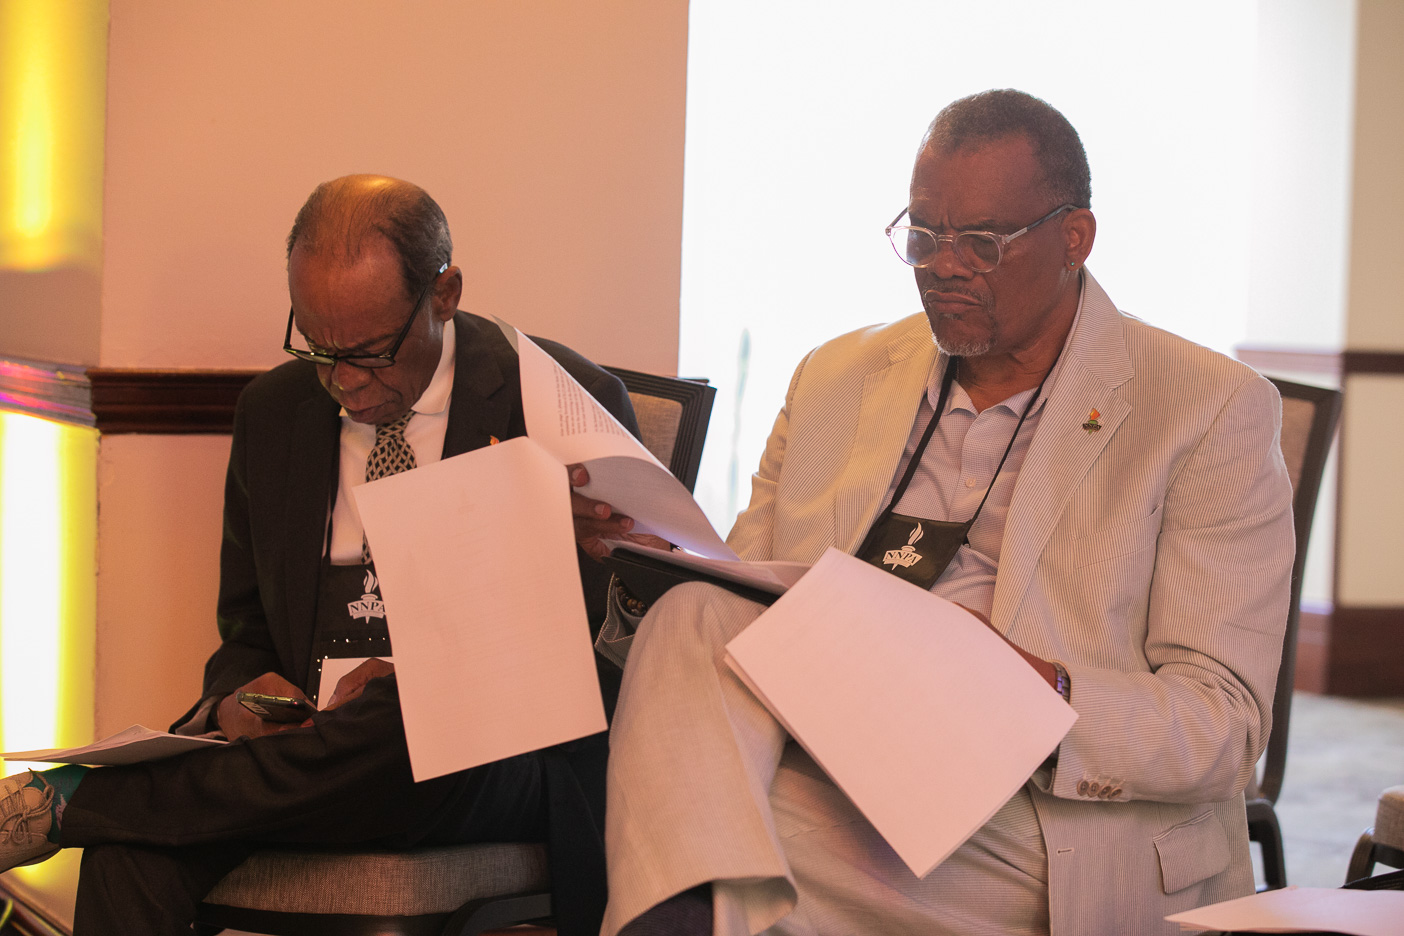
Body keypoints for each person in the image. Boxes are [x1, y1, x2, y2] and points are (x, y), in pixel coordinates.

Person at [599, 90, 1295, 936]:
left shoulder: (1207, 406)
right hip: (824, 736)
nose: (943, 266)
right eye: (924, 236)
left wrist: (1043, 690)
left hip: (1031, 806)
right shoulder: (835, 374)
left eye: (982, 242)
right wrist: (645, 562)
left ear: (1074, 238)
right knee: (696, 615)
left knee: (703, 821)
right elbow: (740, 609)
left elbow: (1225, 725)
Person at [0, 174, 644, 936]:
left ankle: (86, 800)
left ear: (444, 295)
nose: (342, 383)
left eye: (368, 354)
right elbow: (245, 633)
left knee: (407, 724)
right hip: (306, 752)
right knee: (129, 852)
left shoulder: (560, 405)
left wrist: (422, 683)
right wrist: (240, 700)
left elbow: (607, 657)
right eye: (317, 348)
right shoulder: (273, 413)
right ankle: (104, 810)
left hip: (482, 761)